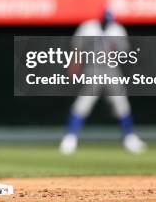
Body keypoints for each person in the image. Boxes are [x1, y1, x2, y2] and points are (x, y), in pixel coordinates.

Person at [59, 9, 147, 155]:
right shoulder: (88, 27)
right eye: (105, 21)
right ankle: (70, 138)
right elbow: (77, 48)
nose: (106, 24)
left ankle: (129, 138)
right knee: (83, 104)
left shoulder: (117, 30)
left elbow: (124, 54)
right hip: (93, 69)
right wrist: (75, 64)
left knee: (121, 105)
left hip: (111, 70)